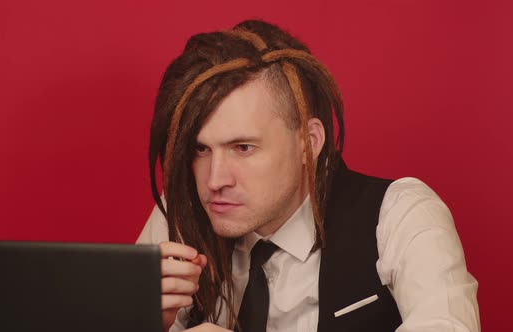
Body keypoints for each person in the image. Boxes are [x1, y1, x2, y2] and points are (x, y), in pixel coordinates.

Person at [137, 20, 481, 332]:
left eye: (243, 147)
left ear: (308, 141)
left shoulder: (400, 215)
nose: (215, 180)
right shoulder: (178, 216)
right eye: (201, 150)